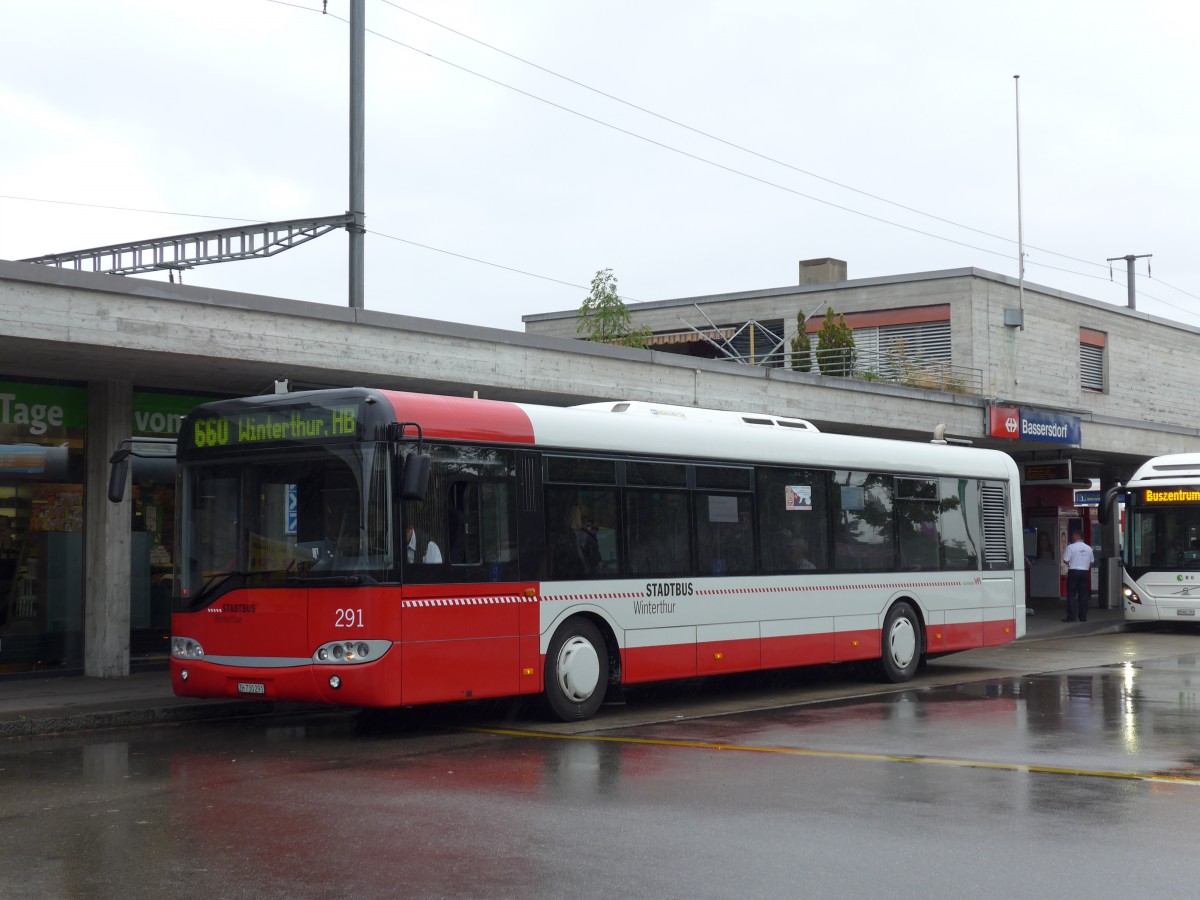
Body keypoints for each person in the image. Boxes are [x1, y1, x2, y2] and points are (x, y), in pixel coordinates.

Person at [1061, 529, 1094, 622]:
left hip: (1073, 571)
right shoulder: (1089, 548)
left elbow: (1065, 560)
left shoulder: (1071, 547)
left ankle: (1071, 616)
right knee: (1083, 595)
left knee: (1071, 594)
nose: (1072, 536)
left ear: (1077, 536)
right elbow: (1092, 562)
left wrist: (1073, 562)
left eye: (1073, 535)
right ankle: (1083, 617)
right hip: (1084, 572)